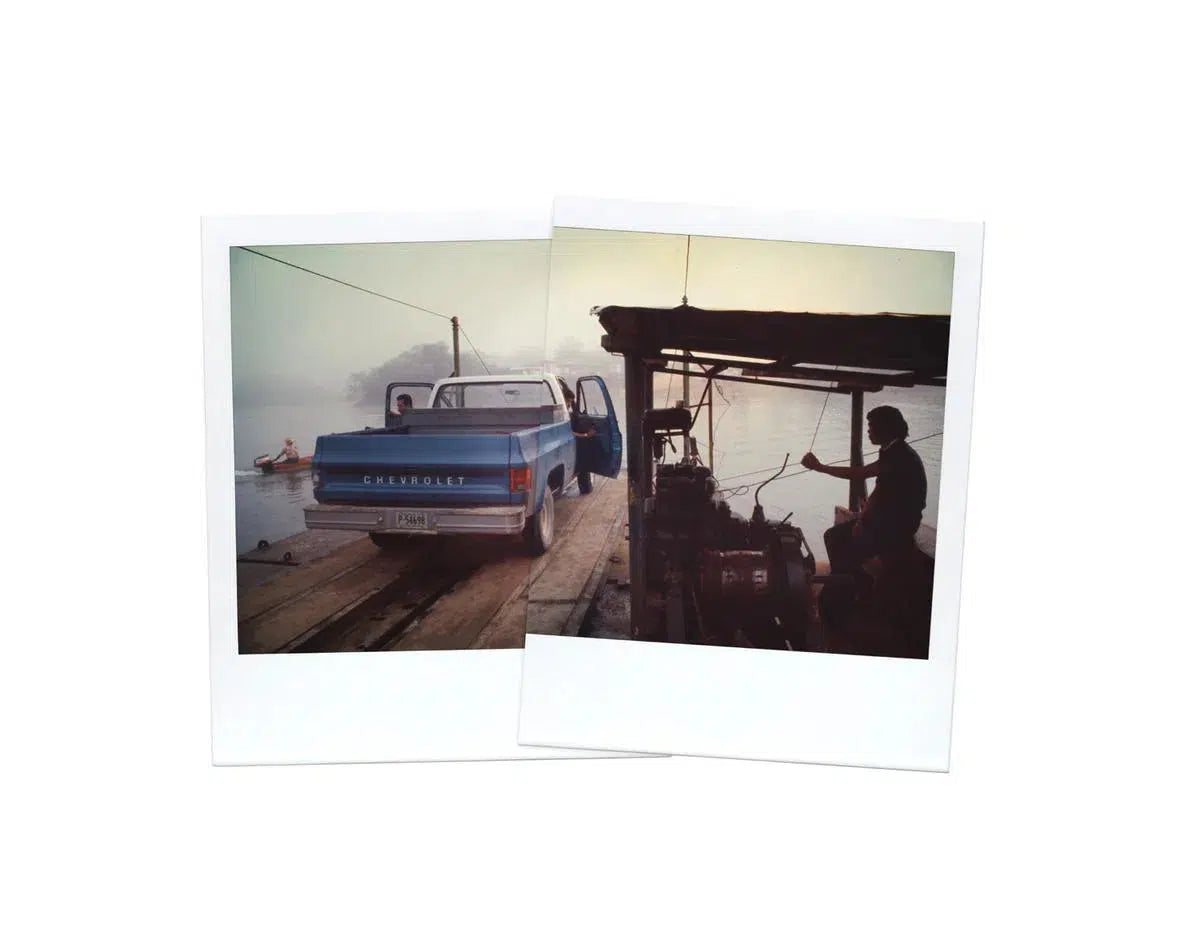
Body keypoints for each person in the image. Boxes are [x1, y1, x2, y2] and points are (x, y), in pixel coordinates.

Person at [801, 405, 926, 576]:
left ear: (885, 429)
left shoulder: (899, 455)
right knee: (839, 537)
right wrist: (867, 513)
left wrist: (820, 467)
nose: (868, 430)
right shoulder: (893, 449)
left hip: (898, 527)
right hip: (895, 519)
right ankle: (850, 580)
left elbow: (860, 473)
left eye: (871, 426)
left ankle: (847, 583)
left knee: (835, 537)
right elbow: (884, 488)